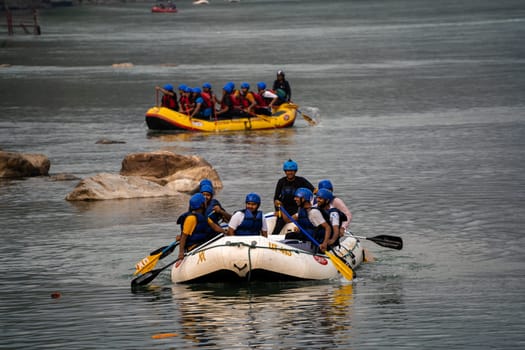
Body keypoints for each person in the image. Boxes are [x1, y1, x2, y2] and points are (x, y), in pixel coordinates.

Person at [176, 193, 226, 261]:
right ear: (202, 204)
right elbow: (184, 237)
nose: (206, 203)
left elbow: (215, 227)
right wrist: (181, 253)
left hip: (203, 244)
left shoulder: (203, 217)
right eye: (204, 202)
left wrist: (225, 232)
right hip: (193, 248)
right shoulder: (191, 219)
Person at [272, 159, 315, 235]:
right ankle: (273, 237)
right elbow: (276, 198)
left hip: (297, 209)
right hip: (284, 209)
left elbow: (313, 191)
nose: (290, 173)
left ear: (295, 171)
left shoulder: (301, 181)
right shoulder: (281, 182)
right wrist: (278, 211)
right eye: (288, 171)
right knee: (278, 226)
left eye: (292, 171)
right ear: (285, 171)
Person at [288, 188, 331, 253]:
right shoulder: (302, 211)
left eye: (297, 197)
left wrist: (324, 244)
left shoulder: (313, 212)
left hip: (313, 244)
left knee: (285, 244)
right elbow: (288, 220)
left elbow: (327, 228)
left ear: (303, 199)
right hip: (305, 240)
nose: (295, 199)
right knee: (289, 236)